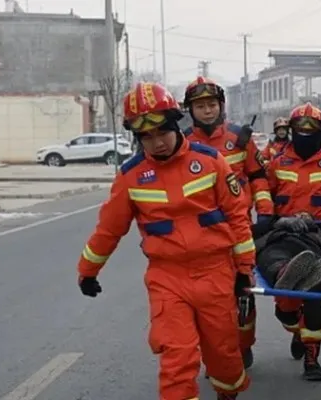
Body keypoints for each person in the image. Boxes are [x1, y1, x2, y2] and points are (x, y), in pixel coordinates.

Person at [76, 82, 254, 400]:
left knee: (224, 358)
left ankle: (228, 393)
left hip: (215, 274)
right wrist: (88, 271)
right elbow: (108, 230)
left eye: (162, 132)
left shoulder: (212, 162)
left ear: (175, 124)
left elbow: (238, 219)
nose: (157, 142)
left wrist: (244, 270)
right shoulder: (130, 177)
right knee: (177, 359)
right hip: (167, 278)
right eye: (147, 136)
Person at [182, 76, 272, 367]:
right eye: (200, 106)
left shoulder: (240, 139)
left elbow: (259, 177)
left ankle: (243, 347)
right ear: (190, 110)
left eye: (211, 104)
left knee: (242, 292)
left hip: (239, 230)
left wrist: (266, 211)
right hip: (200, 237)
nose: (207, 111)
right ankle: (218, 355)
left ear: (221, 106)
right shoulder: (182, 143)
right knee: (209, 303)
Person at [266, 102, 321, 381]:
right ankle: (295, 325)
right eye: (300, 129)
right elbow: (264, 200)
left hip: (318, 235)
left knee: (315, 293)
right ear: (292, 131)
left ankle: (312, 356)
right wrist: (274, 222)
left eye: (312, 129)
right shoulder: (276, 163)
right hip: (284, 231)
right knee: (285, 306)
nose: (305, 134)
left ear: (320, 132)